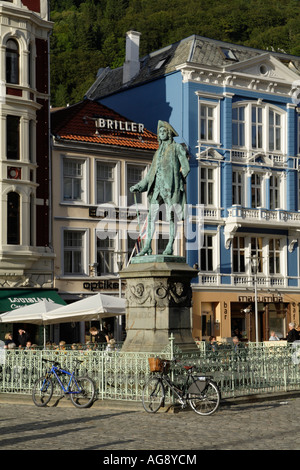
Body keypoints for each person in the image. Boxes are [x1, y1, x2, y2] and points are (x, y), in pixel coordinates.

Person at [130, 120, 190, 256]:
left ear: (168, 134)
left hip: (171, 188)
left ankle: (170, 246)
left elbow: (185, 167)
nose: (161, 134)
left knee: (171, 217)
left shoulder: (176, 147)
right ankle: (147, 246)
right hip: (157, 188)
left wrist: (178, 181)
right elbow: (151, 175)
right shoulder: (157, 153)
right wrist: (139, 186)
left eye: (163, 131)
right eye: (160, 132)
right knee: (151, 217)